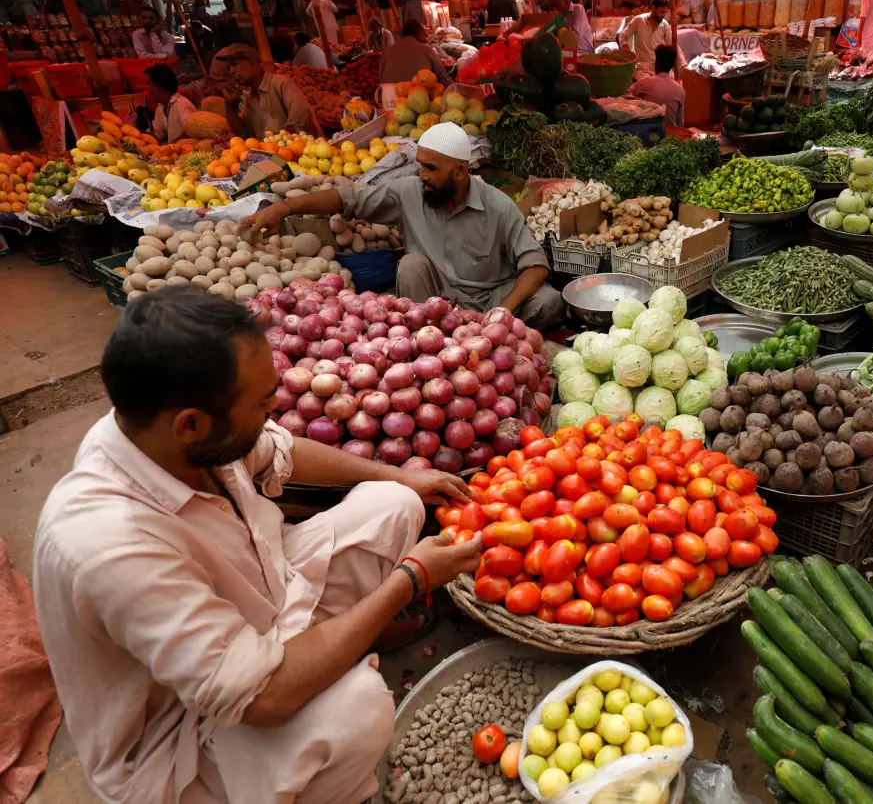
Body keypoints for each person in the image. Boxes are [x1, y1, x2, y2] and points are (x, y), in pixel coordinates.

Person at [34, 286, 481, 804]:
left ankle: (333, 647)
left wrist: (399, 475)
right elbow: (263, 700)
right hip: (181, 734)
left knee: (393, 504)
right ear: (191, 425)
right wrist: (409, 581)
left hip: (263, 601)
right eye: (264, 403)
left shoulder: (171, 435)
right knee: (354, 712)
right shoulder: (110, 546)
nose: (274, 413)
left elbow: (283, 450)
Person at [242, 123, 565, 328]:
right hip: (435, 302)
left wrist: (503, 313)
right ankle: (424, 335)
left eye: (430, 168)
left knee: (549, 301)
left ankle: (490, 331)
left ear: (459, 171)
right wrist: (283, 208)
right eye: (419, 165)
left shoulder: (497, 205)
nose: (421, 174)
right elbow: (346, 198)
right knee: (410, 264)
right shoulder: (410, 192)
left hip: (489, 300)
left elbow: (535, 266)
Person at [215, 43, 321, 137]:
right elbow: (241, 132)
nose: (231, 71)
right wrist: (230, 105)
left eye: (234, 64)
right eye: (229, 67)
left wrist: (284, 139)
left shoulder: (281, 84)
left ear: (252, 63)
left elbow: (301, 114)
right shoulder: (250, 99)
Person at [619, 0, 682, 78]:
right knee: (646, 83)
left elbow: (673, 45)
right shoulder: (638, 21)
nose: (663, 15)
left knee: (671, 80)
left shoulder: (664, 25)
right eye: (661, 12)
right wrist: (626, 48)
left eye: (665, 13)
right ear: (653, 8)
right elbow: (622, 36)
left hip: (660, 68)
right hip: (642, 68)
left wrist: (683, 64)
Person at [379, 19, 453, 85]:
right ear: (416, 32)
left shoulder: (388, 50)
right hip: (417, 95)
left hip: (387, 96)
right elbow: (444, 78)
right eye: (423, 30)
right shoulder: (426, 49)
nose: (426, 34)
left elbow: (380, 78)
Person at [630, 44, 685, 126]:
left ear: (656, 64)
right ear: (673, 66)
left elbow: (627, 95)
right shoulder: (680, 90)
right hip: (671, 134)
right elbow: (680, 123)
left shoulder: (644, 83)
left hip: (647, 131)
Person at [146, 63, 196, 142]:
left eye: (149, 84)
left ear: (158, 88)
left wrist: (175, 144)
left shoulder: (181, 104)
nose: (148, 89)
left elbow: (192, 129)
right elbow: (157, 133)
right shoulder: (161, 107)